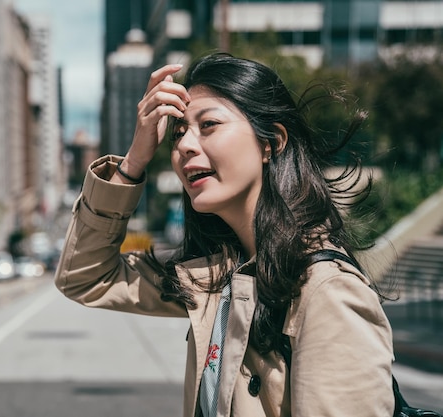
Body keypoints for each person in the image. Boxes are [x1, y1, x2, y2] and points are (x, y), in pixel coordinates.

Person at [54, 52, 395, 417]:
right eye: (179, 132)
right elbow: (84, 276)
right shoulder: (215, 277)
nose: (184, 145)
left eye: (209, 124)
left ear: (271, 143)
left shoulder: (327, 292)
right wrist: (134, 161)